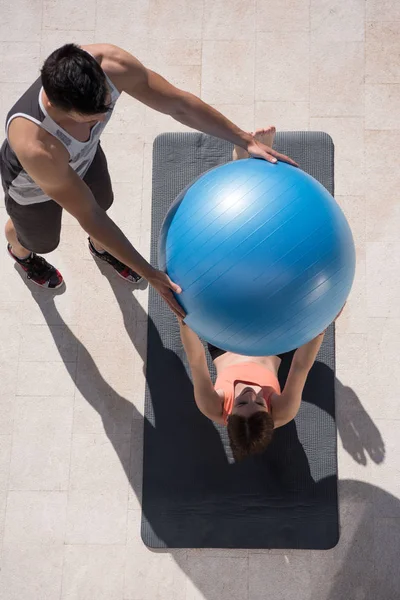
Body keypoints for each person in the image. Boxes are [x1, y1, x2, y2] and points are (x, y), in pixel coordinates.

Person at [1, 43, 296, 316]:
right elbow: (86, 214)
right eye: (90, 119)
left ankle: (101, 248)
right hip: (32, 186)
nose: (101, 121)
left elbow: (177, 105)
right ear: (56, 107)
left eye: (104, 108)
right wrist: (149, 272)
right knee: (41, 240)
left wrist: (245, 140)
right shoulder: (37, 145)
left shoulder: (113, 65)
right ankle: (21, 252)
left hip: (82, 158)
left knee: (103, 202)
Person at [179, 127, 342, 461]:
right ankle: (259, 177)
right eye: (259, 403)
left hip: (225, 336)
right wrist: (322, 320)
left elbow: (196, 360)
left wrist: (186, 317)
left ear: (228, 415)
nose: (253, 395)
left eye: (242, 402)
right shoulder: (283, 413)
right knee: (277, 269)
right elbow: (300, 367)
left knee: (236, 263)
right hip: (277, 338)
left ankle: (241, 171)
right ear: (269, 414)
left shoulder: (211, 405)